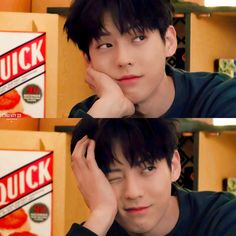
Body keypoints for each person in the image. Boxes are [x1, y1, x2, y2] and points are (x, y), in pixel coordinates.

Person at [64, 0, 236, 118]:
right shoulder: (91, 113)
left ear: (168, 41)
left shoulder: (220, 96)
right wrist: (105, 112)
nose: (123, 59)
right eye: (105, 46)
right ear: (87, 59)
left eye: (139, 38)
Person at [67, 118, 236, 236]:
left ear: (174, 166)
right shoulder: (96, 229)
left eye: (148, 169)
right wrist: (101, 214)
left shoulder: (224, 218)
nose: (133, 192)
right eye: (113, 177)